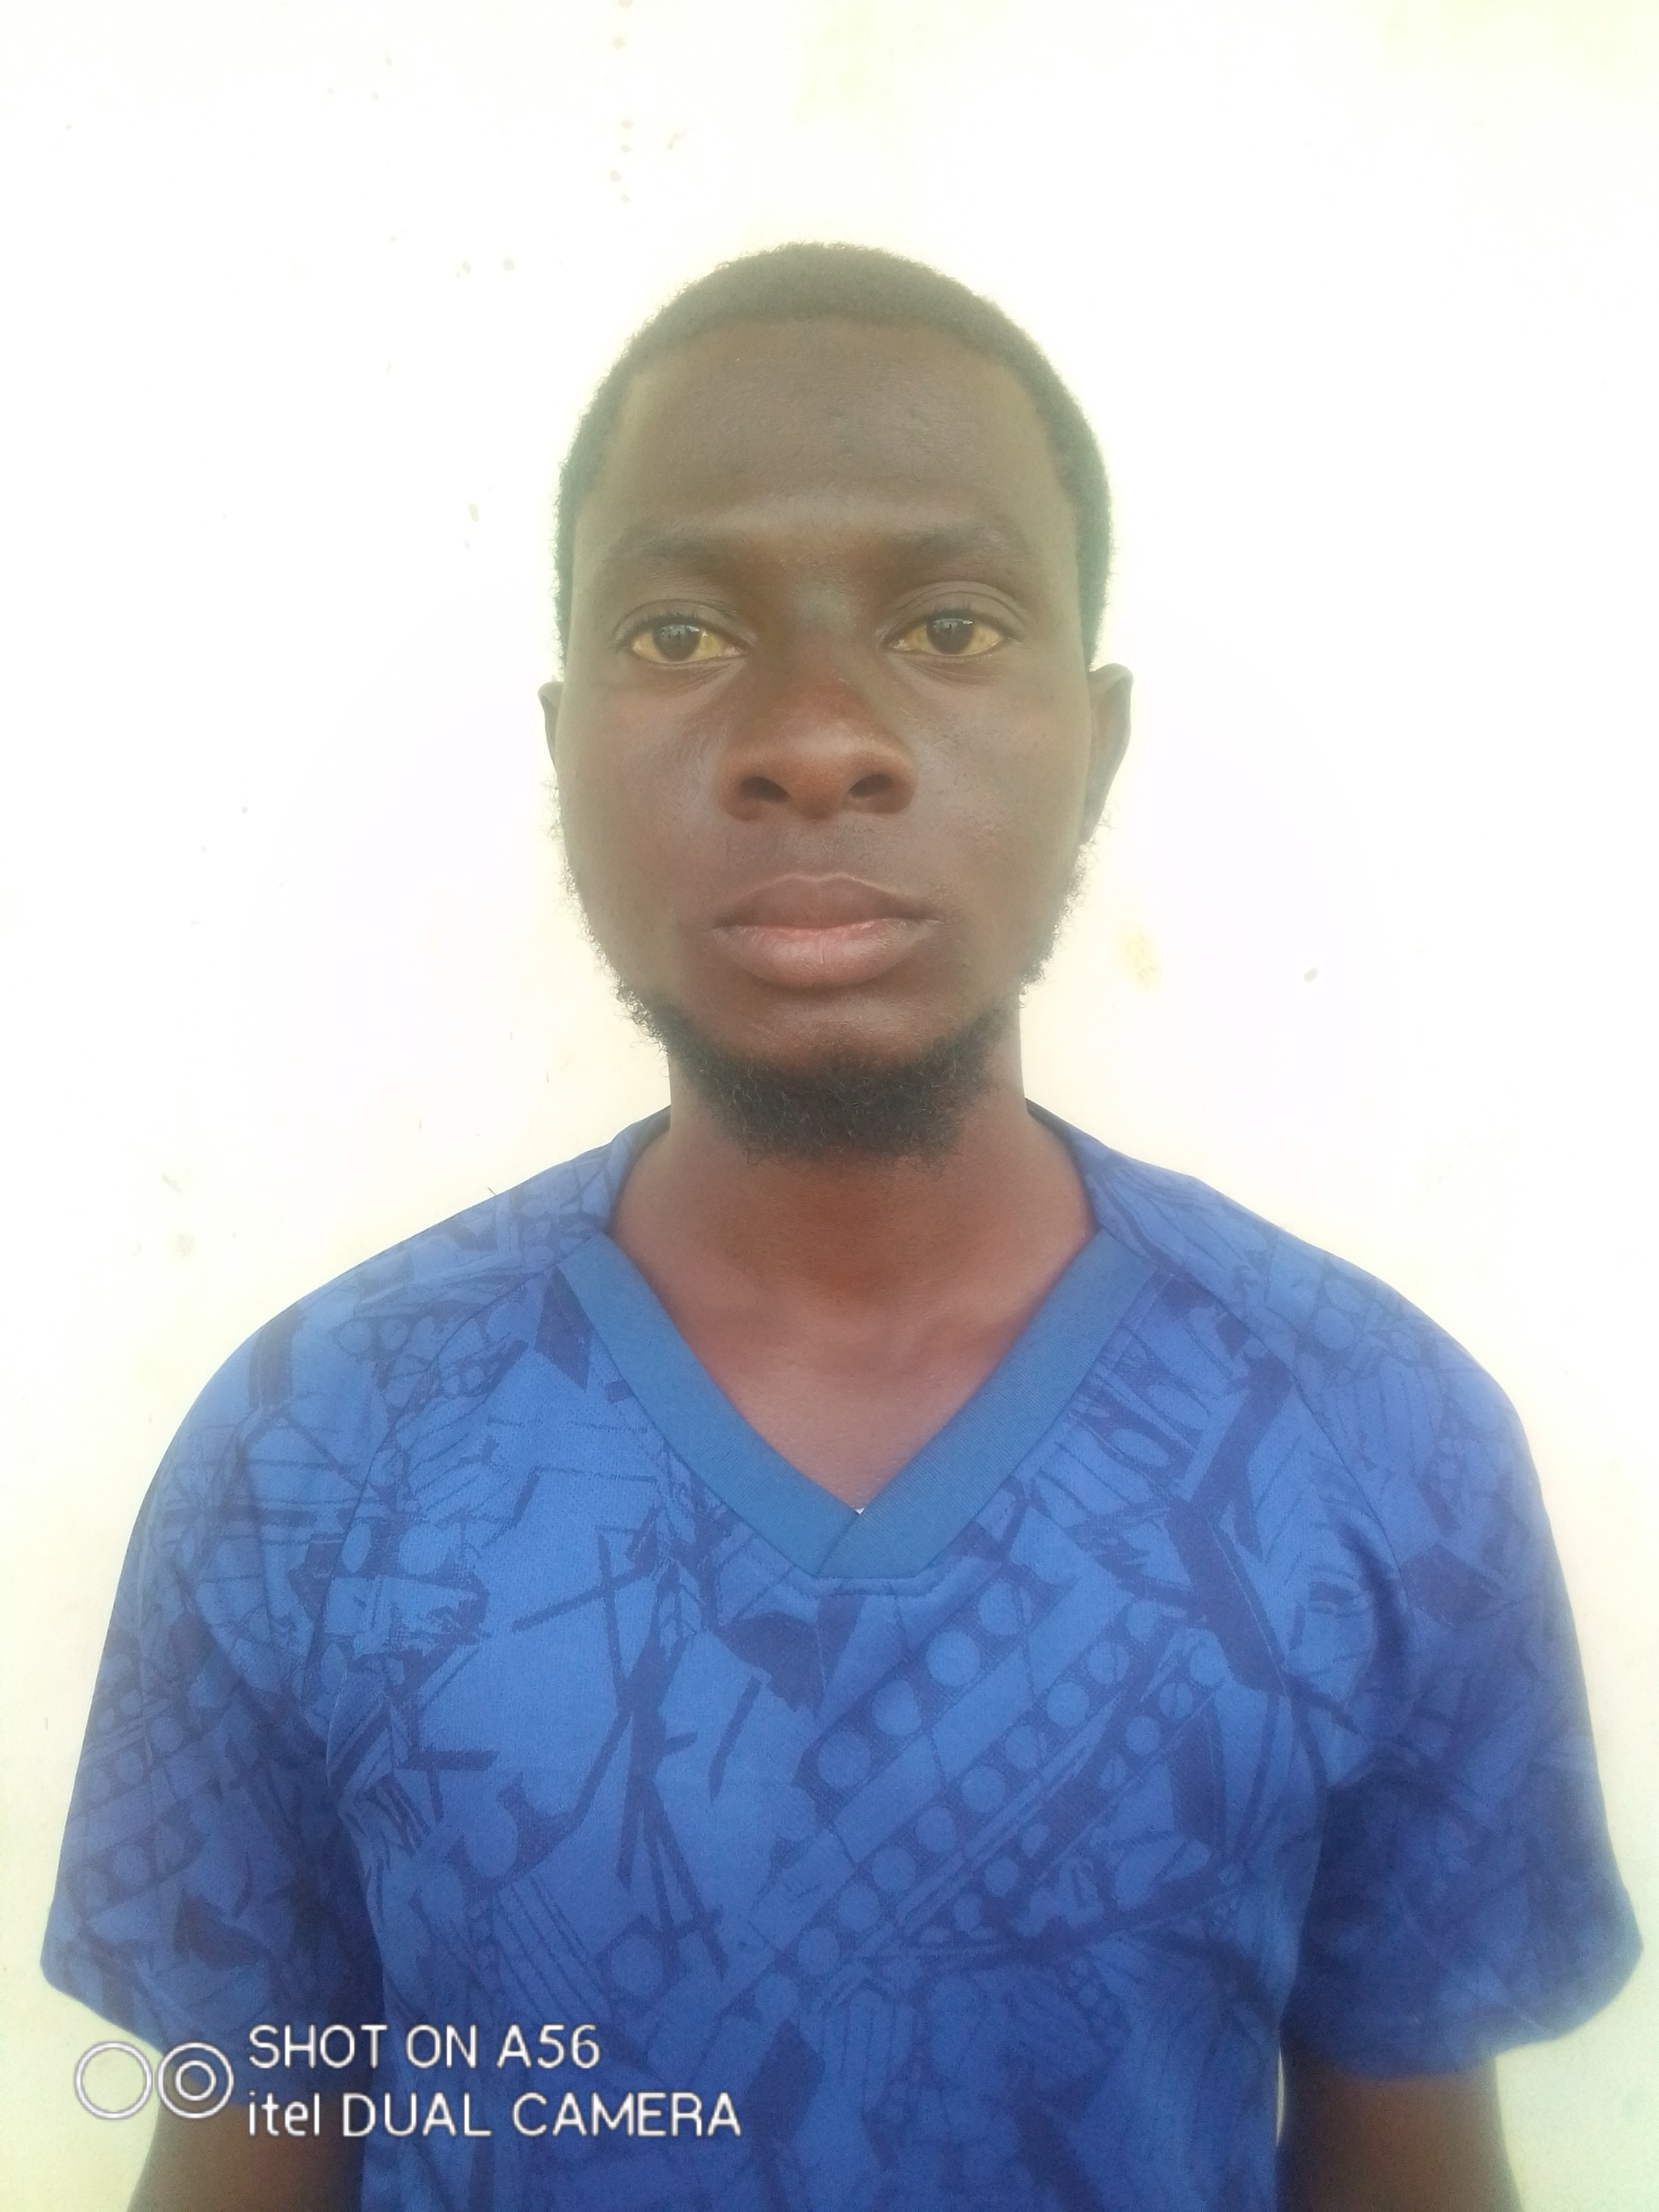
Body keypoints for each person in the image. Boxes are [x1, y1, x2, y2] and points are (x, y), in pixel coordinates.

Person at [43, 244, 1638, 2212]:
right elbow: (242, 2158)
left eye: (950, 625)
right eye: (682, 632)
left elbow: (1414, 2173)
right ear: (563, 749)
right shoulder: (310, 1453)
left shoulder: (1382, 1450)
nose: (814, 737)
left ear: (1097, 745)